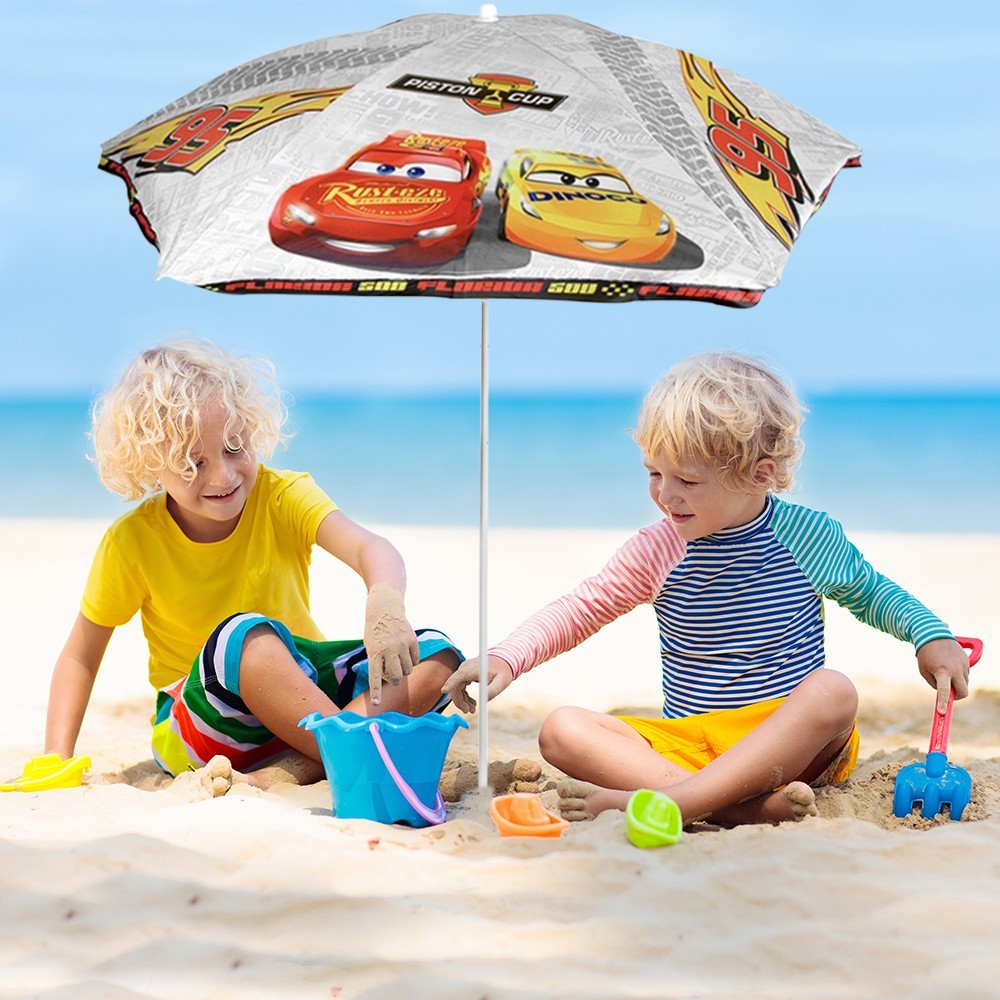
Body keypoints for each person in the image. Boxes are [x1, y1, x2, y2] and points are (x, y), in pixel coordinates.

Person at [442, 352, 971, 826]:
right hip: (692, 749)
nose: (665, 495)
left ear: (761, 475)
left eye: (687, 481)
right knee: (560, 729)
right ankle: (731, 809)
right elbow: (582, 607)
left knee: (834, 692)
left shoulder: (806, 537)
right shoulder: (658, 548)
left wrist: (931, 636)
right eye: (653, 473)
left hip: (791, 746)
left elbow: (873, 593)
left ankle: (676, 803)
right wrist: (507, 657)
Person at [45, 338, 462, 790]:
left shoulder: (283, 495)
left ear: (250, 428)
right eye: (191, 463)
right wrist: (55, 757)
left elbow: (370, 548)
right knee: (243, 636)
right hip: (207, 726)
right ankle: (345, 751)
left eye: (233, 447)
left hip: (304, 706)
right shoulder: (131, 542)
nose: (222, 476)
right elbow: (80, 656)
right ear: (149, 464)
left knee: (437, 655)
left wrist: (384, 601)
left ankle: (315, 760)